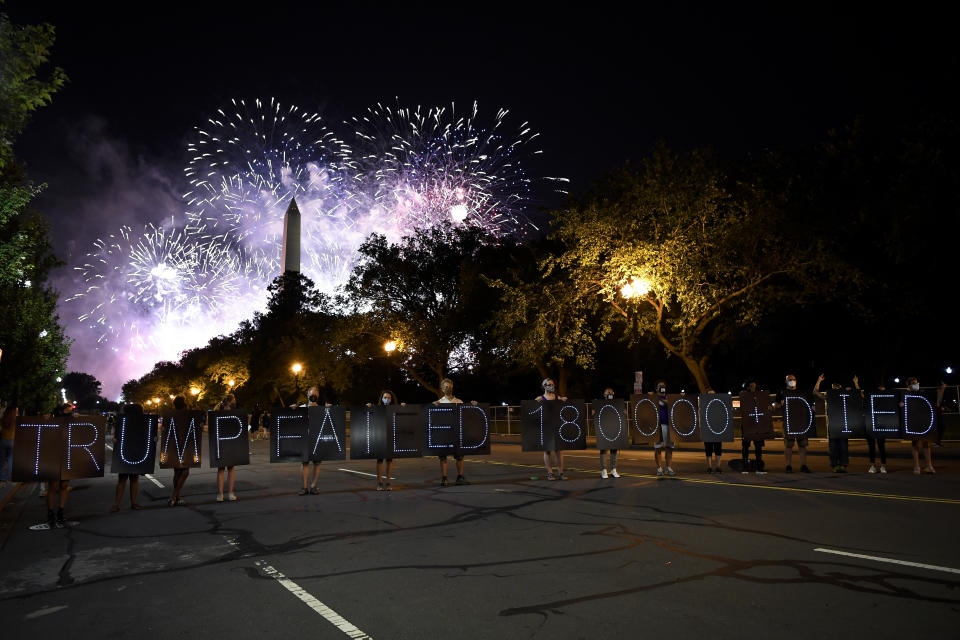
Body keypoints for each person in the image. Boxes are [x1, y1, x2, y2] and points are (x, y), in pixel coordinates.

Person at [433, 378, 476, 486]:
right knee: (443, 456)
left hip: (456, 434)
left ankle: (460, 477)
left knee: (460, 456)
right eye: (446, 387)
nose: (448, 388)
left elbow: (466, 416)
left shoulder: (459, 402)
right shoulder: (439, 403)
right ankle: (444, 478)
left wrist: (473, 406)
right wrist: (433, 407)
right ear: (442, 389)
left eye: (450, 386)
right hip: (444, 433)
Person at [775, 374, 810, 473]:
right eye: (790, 379)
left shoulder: (801, 392)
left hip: (800, 423)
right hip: (789, 423)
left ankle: (803, 465)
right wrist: (779, 405)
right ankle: (788, 466)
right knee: (789, 445)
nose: (792, 381)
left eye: (794, 379)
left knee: (802, 445)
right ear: (786, 381)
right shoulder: (782, 392)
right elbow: (776, 405)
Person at [48, 403, 75, 528]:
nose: (69, 411)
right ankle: (50, 512)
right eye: (67, 409)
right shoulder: (52, 420)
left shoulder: (72, 420)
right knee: (53, 485)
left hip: (66, 455)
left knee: (64, 485)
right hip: (53, 455)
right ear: (61, 410)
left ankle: (60, 510)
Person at [114, 403, 145, 512]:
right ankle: (133, 503)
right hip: (137, 454)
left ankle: (117, 504)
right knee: (134, 479)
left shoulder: (122, 421)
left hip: (125, 453)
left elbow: (116, 436)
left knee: (122, 479)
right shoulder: (143, 422)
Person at [816, 374, 849, 473]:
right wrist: (819, 381)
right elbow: (815, 392)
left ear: (840, 387)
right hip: (833, 426)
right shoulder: (829, 397)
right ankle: (835, 465)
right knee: (834, 447)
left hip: (843, 425)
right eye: (833, 387)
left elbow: (859, 396)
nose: (835, 389)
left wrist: (855, 385)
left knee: (843, 446)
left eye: (837, 387)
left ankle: (842, 465)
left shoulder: (845, 396)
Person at [536, 378, 568, 480]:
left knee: (559, 451)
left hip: (557, 427)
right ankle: (550, 473)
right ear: (544, 386)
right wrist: (535, 403)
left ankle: (561, 472)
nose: (552, 386)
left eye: (553, 384)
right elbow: (534, 412)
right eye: (549, 384)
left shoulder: (557, 398)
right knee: (547, 451)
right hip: (546, 428)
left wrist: (563, 400)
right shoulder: (540, 398)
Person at [903, 377, 935, 474]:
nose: (915, 384)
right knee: (915, 444)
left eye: (916, 383)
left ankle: (929, 465)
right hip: (913, 422)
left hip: (923, 421)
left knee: (926, 443)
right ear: (908, 385)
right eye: (913, 383)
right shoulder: (906, 395)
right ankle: (917, 467)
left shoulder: (923, 393)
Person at [370, 389, 399, 491]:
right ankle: (379, 483)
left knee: (389, 461)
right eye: (385, 397)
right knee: (379, 461)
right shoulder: (377, 409)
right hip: (380, 437)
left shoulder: (394, 409)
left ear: (391, 399)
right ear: (382, 399)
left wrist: (404, 407)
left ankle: (388, 482)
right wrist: (368, 408)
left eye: (389, 398)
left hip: (390, 437)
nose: (387, 399)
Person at [299, 387, 323, 496]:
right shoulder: (302, 408)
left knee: (317, 464)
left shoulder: (321, 409)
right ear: (308, 395)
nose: (314, 396)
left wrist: (330, 410)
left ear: (318, 396)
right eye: (312, 394)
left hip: (317, 440)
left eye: (316, 394)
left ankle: (313, 486)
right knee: (305, 464)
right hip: (305, 439)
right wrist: (292, 409)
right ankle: (304, 487)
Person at [168, 396, 191, 506]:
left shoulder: (171, 415)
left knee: (177, 472)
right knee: (185, 472)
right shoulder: (187, 415)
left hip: (173, 445)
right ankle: (174, 496)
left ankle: (177, 497)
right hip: (184, 445)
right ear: (184, 404)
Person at [740, 381, 767, 475]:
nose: (753, 387)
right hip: (747, 424)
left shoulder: (760, 395)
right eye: (751, 386)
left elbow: (764, 406)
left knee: (758, 446)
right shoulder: (744, 394)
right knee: (745, 446)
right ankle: (745, 466)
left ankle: (759, 467)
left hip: (757, 424)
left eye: (754, 386)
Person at [217, 393, 239, 501]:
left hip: (222, 444)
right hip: (228, 444)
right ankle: (229, 493)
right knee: (229, 469)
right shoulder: (235, 415)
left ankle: (221, 494)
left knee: (222, 469)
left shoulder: (218, 414)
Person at [653, 380, 676, 477]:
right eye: (659, 386)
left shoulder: (670, 398)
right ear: (656, 388)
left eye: (663, 386)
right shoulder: (653, 398)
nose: (662, 387)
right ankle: (659, 468)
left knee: (669, 447)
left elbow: (673, 405)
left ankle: (669, 468)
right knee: (658, 448)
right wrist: (652, 396)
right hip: (658, 426)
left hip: (669, 426)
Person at [597, 387, 620, 479]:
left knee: (614, 450)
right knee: (603, 450)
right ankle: (604, 470)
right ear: (604, 395)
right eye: (607, 393)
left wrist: (623, 413)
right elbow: (595, 415)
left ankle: (613, 469)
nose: (609, 394)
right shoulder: (600, 404)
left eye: (610, 392)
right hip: (603, 430)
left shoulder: (617, 404)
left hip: (613, 430)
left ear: (613, 393)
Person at [866, 382, 888, 474]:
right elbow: (861, 395)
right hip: (870, 424)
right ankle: (873, 465)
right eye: (880, 390)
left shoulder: (886, 400)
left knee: (881, 446)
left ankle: (883, 466)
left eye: (883, 390)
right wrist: (856, 384)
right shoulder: (870, 398)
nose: (882, 391)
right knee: (871, 446)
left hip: (880, 424)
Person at [702, 389, 722, 473]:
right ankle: (709, 467)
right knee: (708, 449)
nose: (711, 396)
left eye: (713, 394)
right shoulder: (704, 405)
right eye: (709, 394)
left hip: (717, 429)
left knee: (718, 448)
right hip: (707, 430)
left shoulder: (719, 404)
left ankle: (718, 467)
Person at [0, 403, 16, 488]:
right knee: (10, 460)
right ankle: (6, 477)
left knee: (2, 460)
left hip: (3, 440)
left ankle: (0, 476)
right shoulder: (15, 420)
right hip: (12, 441)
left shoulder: (3, 419)